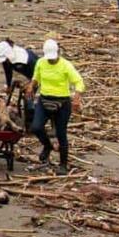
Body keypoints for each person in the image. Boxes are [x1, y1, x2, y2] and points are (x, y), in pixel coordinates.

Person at [27, 39, 84, 175]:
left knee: (61, 134)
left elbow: (78, 82)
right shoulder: (41, 63)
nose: (51, 61)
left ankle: (63, 164)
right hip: (44, 100)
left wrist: (76, 98)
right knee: (36, 127)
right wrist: (31, 85)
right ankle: (47, 146)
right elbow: (36, 77)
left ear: (58, 52)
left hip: (62, 103)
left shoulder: (66, 65)